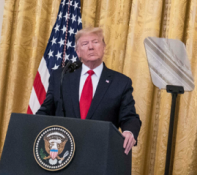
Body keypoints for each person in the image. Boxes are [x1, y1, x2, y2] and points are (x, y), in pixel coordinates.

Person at [37, 27, 141, 155]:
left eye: (95, 42)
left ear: (104, 47)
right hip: (62, 151)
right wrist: (31, 127)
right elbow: (46, 110)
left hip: (100, 152)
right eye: (85, 44)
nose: (91, 47)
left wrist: (129, 131)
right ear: (78, 51)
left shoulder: (121, 82)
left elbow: (129, 117)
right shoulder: (60, 76)